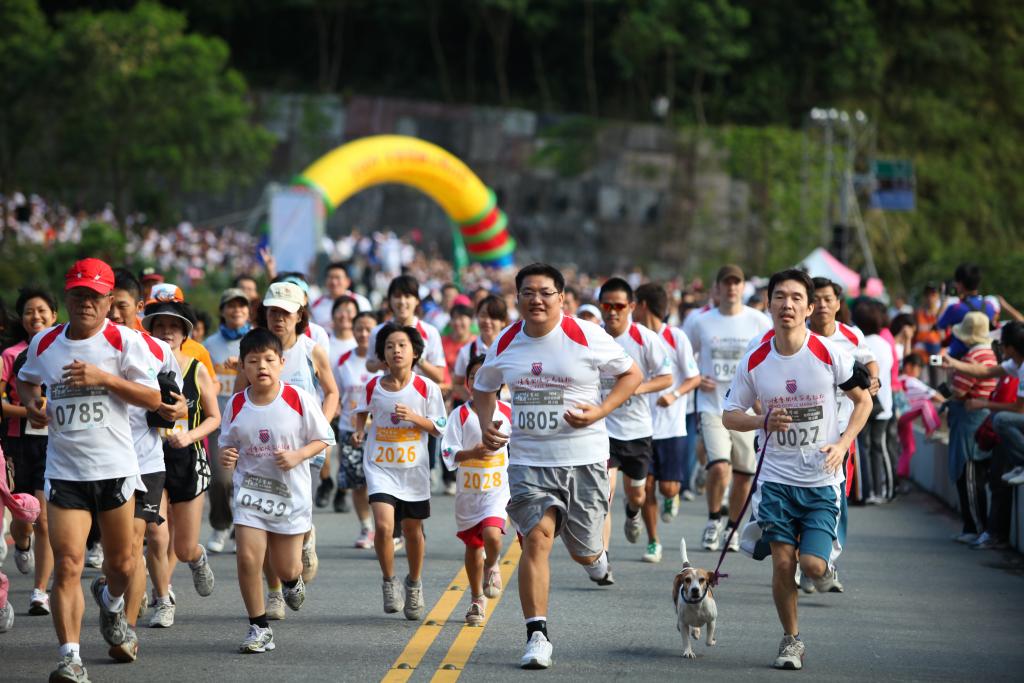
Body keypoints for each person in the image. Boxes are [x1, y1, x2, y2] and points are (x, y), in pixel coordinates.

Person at [472, 263, 641, 670]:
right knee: (537, 540)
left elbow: (631, 374)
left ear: (561, 298)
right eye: (528, 292)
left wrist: (600, 410)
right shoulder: (507, 340)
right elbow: (483, 386)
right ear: (518, 299)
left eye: (546, 292)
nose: (537, 300)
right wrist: (486, 423)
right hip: (529, 461)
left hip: (583, 458)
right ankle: (537, 635)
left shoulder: (585, 334)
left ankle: (596, 558)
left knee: (584, 552)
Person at [17, 258, 165, 682]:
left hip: (116, 470)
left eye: (95, 297)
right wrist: (32, 403)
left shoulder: (125, 341)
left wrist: (104, 378)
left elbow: (153, 399)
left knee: (121, 564)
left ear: (107, 301)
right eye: (78, 295)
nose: (86, 303)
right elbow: (26, 379)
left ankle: (112, 602)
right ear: (67, 297)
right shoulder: (45, 343)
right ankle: (70, 657)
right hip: (65, 473)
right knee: (68, 564)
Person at [722, 268, 871, 671]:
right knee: (783, 562)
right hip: (775, 479)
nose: (787, 305)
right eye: (779, 297)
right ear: (768, 304)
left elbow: (863, 403)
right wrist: (762, 422)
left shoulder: (829, 353)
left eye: (795, 298)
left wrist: (842, 443)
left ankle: (824, 563)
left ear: (808, 307)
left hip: (822, 477)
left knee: (812, 567)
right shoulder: (755, 358)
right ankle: (791, 640)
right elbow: (730, 416)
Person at [218, 328, 335, 653]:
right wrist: (226, 454)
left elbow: (324, 437)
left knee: (287, 567)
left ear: (282, 362)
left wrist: (298, 455)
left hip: (289, 496)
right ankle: (259, 627)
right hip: (251, 495)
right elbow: (227, 443)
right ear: (243, 366)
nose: (262, 367)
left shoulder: (297, 398)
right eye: (253, 361)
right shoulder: (238, 403)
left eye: (269, 359)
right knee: (247, 559)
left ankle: (292, 580)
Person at [234, 281, 338, 613]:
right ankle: (275, 591)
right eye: (272, 311)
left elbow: (332, 392)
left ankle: (304, 537)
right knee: (262, 522)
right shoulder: (254, 351)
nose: (278, 318)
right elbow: (240, 398)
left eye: (285, 313)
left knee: (293, 514)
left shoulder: (311, 350)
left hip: (304, 447)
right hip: (264, 456)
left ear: (299, 316)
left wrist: (321, 429)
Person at [105, 269, 187, 655]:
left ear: (138, 307)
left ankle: (127, 629)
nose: (114, 312)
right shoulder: (85, 346)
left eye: (122, 305)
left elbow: (176, 400)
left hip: (147, 460)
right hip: (103, 464)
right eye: (110, 304)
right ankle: (113, 595)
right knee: (119, 556)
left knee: (138, 542)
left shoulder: (158, 349)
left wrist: (177, 409)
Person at [352, 324, 445, 621]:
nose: (396, 351)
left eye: (402, 345)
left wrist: (415, 418)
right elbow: (361, 411)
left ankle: (414, 583)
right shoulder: (373, 386)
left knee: (412, 531)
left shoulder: (426, 388)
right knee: (383, 526)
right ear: (383, 354)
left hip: (412, 470)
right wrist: (358, 432)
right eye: (390, 346)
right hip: (380, 467)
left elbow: (439, 426)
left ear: (415, 352)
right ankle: (389, 580)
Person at [142, 298, 222, 623]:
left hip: (186, 457)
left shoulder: (195, 367)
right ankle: (163, 599)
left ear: (184, 332)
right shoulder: (140, 368)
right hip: (149, 457)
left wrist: (189, 436)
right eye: (159, 326)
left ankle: (198, 557)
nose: (166, 332)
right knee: (155, 532)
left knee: (183, 549)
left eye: (173, 326)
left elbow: (215, 417)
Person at [683, 265, 771, 551]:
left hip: (747, 409)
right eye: (727, 283)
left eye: (737, 283)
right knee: (720, 467)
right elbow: (684, 355)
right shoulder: (700, 321)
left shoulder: (758, 321)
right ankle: (713, 520)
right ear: (717, 288)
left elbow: (771, 357)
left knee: (745, 474)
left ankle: (733, 528)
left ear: (743, 287)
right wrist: (697, 377)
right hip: (713, 405)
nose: (732, 288)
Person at [596, 278, 673, 557]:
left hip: (637, 430)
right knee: (604, 491)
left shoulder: (645, 339)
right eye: (606, 305)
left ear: (630, 306)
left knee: (637, 495)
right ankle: (602, 557)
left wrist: (637, 386)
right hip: (602, 428)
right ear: (600, 306)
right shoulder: (593, 337)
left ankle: (633, 513)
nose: (612, 311)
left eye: (618, 305)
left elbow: (666, 378)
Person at [441, 354, 512, 625]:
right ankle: (476, 600)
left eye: (486, 377)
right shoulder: (459, 415)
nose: (479, 381)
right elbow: (448, 451)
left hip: (497, 490)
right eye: (474, 376)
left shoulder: (507, 412)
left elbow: (520, 446)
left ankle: (492, 565)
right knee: (473, 548)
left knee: (492, 536)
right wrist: (472, 452)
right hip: (469, 493)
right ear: (469, 383)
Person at [633, 282, 701, 563]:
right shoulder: (632, 337)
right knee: (646, 487)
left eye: (634, 304)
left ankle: (671, 497)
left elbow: (693, 377)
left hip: (671, 426)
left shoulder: (676, 337)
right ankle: (653, 541)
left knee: (668, 487)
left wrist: (673, 395)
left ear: (644, 305)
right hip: (640, 426)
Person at [1, 288, 58, 617]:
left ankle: (40, 592)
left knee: (45, 521)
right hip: (16, 445)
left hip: (52, 445)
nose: (35, 317)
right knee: (22, 520)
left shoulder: (62, 349)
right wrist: (34, 412)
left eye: (42, 311)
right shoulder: (10, 355)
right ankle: (21, 544)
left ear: (53, 315)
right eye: (28, 312)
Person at [202, 287, 253, 553]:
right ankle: (221, 524)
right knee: (221, 479)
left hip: (252, 422)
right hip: (221, 422)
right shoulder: (210, 345)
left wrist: (244, 367)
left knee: (248, 478)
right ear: (222, 311)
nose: (237, 311)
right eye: (231, 306)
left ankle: (242, 529)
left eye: (242, 306)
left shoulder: (256, 341)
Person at [943, 321, 1024, 486]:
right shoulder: (1017, 362)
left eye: (1001, 344)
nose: (999, 348)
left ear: (1011, 348)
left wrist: (984, 404)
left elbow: (1019, 409)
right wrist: (953, 362)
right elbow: (985, 372)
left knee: (1001, 420)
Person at [945, 312, 998, 543]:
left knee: (969, 476)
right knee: (977, 476)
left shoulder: (971, 357)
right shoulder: (990, 353)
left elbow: (958, 391)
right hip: (981, 419)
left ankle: (974, 527)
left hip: (969, 422)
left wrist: (952, 375)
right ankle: (975, 527)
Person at [332, 311, 381, 539]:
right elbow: (334, 394)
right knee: (357, 482)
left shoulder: (385, 360)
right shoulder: (343, 361)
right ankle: (366, 527)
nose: (363, 334)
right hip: (349, 431)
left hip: (381, 433)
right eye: (359, 328)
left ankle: (386, 527)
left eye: (369, 329)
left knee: (378, 482)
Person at [320, 295, 359, 510]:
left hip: (350, 409)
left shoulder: (360, 343)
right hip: (326, 404)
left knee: (346, 455)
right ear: (333, 315)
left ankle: (341, 494)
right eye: (340, 310)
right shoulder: (324, 341)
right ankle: (326, 482)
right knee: (324, 455)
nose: (345, 315)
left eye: (350, 311)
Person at [452, 295, 509, 403]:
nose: (487, 321)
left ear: (503, 322)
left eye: (493, 317)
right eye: (483, 315)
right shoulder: (467, 351)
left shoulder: (512, 350)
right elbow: (457, 383)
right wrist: (472, 401)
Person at [896, 354, 944, 479]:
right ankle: (932, 431)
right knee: (925, 403)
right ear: (909, 366)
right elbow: (933, 395)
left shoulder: (900, 378)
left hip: (899, 415)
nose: (919, 371)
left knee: (909, 447)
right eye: (918, 367)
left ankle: (899, 476)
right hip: (901, 414)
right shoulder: (910, 379)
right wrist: (947, 402)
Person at [937, 263, 997, 359]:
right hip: (985, 356)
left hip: (959, 359)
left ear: (960, 284)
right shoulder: (989, 306)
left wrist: (944, 299)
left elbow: (938, 326)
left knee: (934, 360)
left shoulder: (955, 308)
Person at [310, 262, 371, 328]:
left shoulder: (361, 302)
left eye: (337, 278)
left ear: (348, 281)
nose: (334, 282)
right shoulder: (316, 304)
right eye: (330, 277)